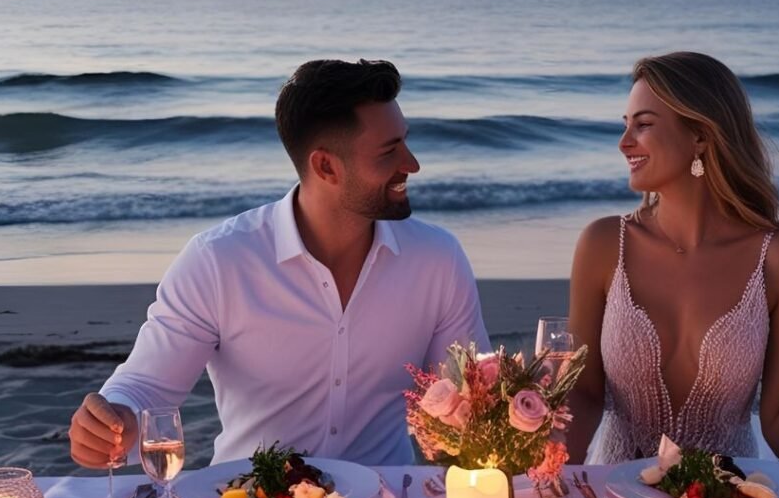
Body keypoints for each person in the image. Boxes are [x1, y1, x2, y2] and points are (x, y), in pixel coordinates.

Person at [68, 59, 489, 469]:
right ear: (325, 166)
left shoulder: (438, 260)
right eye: (389, 151)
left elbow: (474, 398)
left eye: (405, 141)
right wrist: (112, 422)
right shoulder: (219, 262)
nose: (411, 163)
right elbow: (146, 387)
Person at [566, 51, 779, 463]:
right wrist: (541, 464)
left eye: (643, 125)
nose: (624, 143)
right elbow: (581, 396)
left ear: (701, 136)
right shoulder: (603, 244)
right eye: (625, 126)